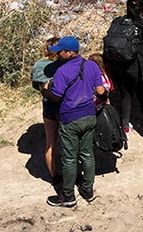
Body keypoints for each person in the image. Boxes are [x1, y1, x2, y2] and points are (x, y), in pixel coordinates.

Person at [45, 37, 106, 208]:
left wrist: (44, 92)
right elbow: (101, 91)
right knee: (87, 154)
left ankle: (68, 196)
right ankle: (87, 190)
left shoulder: (62, 72)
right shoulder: (92, 65)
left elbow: (56, 97)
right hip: (89, 115)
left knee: (69, 158)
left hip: (70, 118)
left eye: (61, 51)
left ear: (70, 52)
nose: (58, 54)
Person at [106, 0, 143, 144]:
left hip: (118, 65)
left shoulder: (117, 22)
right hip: (137, 65)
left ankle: (125, 128)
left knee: (125, 95)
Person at [31, 36, 63, 183]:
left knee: (50, 142)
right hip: (65, 105)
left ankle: (54, 175)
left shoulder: (39, 65)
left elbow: (35, 84)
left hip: (48, 104)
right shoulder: (64, 64)